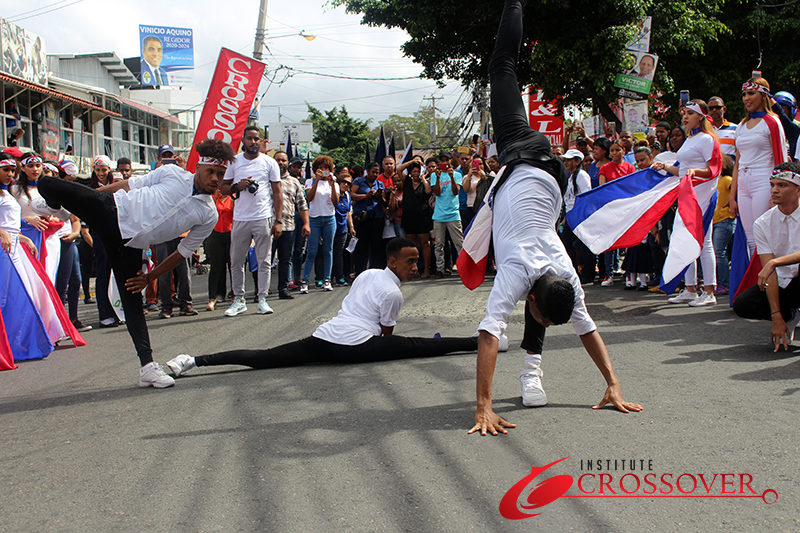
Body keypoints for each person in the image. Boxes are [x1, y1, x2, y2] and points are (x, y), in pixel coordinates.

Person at [470, 0, 641, 436]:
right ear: (533, 300)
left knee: (505, 70)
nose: (538, 318)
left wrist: (614, 384)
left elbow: (587, 329)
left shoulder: (565, 276)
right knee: (501, 68)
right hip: (525, 155)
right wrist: (483, 407)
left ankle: (533, 373)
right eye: (541, 317)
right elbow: (488, 335)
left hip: (550, 176)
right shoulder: (519, 272)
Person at [37, 138, 235, 388]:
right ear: (198, 167)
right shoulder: (172, 173)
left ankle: (147, 368)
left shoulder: (208, 214)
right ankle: (56, 207)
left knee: (132, 302)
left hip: (130, 246)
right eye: (211, 171)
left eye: (221, 174)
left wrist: (149, 277)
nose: (215, 179)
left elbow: (181, 252)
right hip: (112, 211)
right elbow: (130, 184)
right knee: (46, 183)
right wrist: (90, 197)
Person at [165, 238, 486, 377]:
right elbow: (387, 336)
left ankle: (191, 361)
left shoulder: (368, 274)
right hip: (356, 346)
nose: (415, 267)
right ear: (393, 262)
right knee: (418, 345)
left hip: (325, 337)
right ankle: (478, 342)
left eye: (416, 261)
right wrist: (390, 345)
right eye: (410, 262)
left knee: (265, 357)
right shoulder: (394, 294)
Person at [733, 163, 800, 352]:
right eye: (772, 185)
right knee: (743, 304)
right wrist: (777, 315)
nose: (774, 190)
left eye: (782, 185)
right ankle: (790, 315)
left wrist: (775, 262)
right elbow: (770, 273)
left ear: (798, 190)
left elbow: (771, 264)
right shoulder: (762, 223)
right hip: (784, 283)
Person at [221, 126, 283, 316]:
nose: (253, 142)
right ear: (243, 141)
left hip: (263, 217)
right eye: (250, 138)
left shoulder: (269, 162)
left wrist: (278, 220)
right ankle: (239, 299)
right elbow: (223, 188)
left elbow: (278, 193)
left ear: (260, 141)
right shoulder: (234, 161)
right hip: (240, 218)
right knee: (236, 261)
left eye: (257, 139)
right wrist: (237, 187)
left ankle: (262, 299)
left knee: (264, 261)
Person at [730, 77, 789, 257]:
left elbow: (780, 159)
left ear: (763, 95)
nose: (746, 98)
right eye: (744, 94)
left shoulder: (772, 122)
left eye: (751, 93)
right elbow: (737, 162)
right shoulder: (741, 125)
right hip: (743, 181)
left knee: (763, 235)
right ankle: (755, 274)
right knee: (750, 238)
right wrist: (732, 196)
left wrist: (777, 190)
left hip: (764, 180)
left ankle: (770, 273)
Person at [598, 140, 636, 286]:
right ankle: (608, 274)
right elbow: (602, 190)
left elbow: (632, 187)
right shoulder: (605, 168)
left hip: (626, 207)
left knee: (628, 241)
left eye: (617, 150)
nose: (614, 153)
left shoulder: (630, 167)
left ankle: (629, 274)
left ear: (623, 151)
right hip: (611, 208)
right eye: (612, 150)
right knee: (610, 242)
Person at [272, 152, 309, 299]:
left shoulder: (294, 182)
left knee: (285, 260)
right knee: (265, 261)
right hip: (268, 227)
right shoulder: (266, 179)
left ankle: (283, 288)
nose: (280, 163)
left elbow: (302, 204)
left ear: (288, 163)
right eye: (278, 160)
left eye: (283, 160)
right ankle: (260, 290)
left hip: (288, 227)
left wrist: (306, 223)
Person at [300, 155, 339, 293]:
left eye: (326, 168)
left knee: (328, 250)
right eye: (320, 168)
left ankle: (327, 279)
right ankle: (305, 281)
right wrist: (316, 180)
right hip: (314, 219)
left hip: (329, 219)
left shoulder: (334, 183)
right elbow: (309, 198)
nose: (323, 171)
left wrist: (332, 184)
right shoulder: (309, 181)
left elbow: (336, 202)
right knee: (312, 251)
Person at [559, 149, 593, 282]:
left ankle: (588, 274)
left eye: (569, 160)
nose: (566, 163)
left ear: (577, 161)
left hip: (579, 216)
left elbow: (585, 196)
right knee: (567, 242)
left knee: (583, 245)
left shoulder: (582, 176)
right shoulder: (571, 177)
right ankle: (575, 271)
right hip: (571, 216)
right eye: (565, 160)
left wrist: (578, 214)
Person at [351, 162, 387, 275]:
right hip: (363, 218)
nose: (375, 174)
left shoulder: (380, 184)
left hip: (377, 217)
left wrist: (379, 197)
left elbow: (384, 202)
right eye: (373, 172)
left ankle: (375, 272)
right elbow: (352, 195)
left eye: (377, 172)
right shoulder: (359, 181)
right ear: (367, 171)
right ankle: (359, 272)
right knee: (362, 246)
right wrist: (366, 196)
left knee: (376, 246)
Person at [431, 159, 464, 278]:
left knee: (459, 243)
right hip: (439, 215)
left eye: (446, 160)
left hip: (453, 214)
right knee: (438, 244)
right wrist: (438, 178)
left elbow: (456, 192)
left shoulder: (457, 174)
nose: (444, 163)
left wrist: (452, 178)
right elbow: (437, 193)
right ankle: (440, 269)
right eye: (442, 161)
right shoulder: (434, 175)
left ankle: (464, 268)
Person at [205, 187, 233, 311]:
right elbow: (208, 214)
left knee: (233, 265)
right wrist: (215, 198)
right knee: (216, 267)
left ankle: (235, 293)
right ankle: (213, 297)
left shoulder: (233, 198)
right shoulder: (212, 198)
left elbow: (235, 212)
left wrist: (232, 196)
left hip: (230, 233)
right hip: (215, 233)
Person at [712, 155, 735, 296]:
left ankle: (724, 284)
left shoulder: (727, 179)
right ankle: (719, 282)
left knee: (719, 252)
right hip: (714, 220)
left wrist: (732, 200)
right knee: (718, 252)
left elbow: (737, 189)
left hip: (725, 219)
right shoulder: (715, 181)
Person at [333, 167, 356, 286]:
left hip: (342, 228)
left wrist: (351, 227)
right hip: (331, 227)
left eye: (348, 183)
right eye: (344, 182)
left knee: (339, 253)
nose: (346, 185)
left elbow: (348, 212)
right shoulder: (333, 194)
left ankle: (339, 277)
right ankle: (327, 277)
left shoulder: (347, 195)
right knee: (328, 252)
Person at [708, 96, 737, 162]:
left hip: (731, 168)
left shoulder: (736, 129)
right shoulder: (704, 130)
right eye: (711, 108)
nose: (714, 110)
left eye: (718, 107)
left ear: (724, 109)